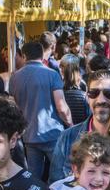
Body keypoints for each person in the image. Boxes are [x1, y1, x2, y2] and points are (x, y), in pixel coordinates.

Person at [10, 41, 72, 180]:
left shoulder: (14, 77)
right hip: (52, 133)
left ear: (24, 55)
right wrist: (70, 124)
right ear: (42, 54)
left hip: (29, 135)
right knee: (60, 174)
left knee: (34, 178)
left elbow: (13, 107)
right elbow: (61, 107)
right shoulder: (52, 74)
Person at [49, 70, 110, 183]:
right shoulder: (67, 138)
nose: (101, 100)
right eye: (94, 93)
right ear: (87, 97)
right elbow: (56, 187)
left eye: (109, 94)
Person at [60, 53, 90, 125]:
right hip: (82, 129)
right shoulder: (84, 84)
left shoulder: (57, 86)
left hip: (64, 129)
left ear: (62, 69)